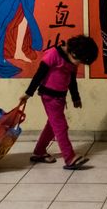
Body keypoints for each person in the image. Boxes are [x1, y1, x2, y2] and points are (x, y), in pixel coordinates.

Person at [20, 35, 98, 170]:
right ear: (73, 52)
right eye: (78, 60)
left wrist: (76, 97)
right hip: (49, 97)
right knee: (61, 127)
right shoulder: (53, 55)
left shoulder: (72, 60)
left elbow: (72, 80)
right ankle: (69, 158)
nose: (77, 64)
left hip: (60, 97)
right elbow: (39, 75)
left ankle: (39, 152)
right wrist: (28, 93)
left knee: (52, 125)